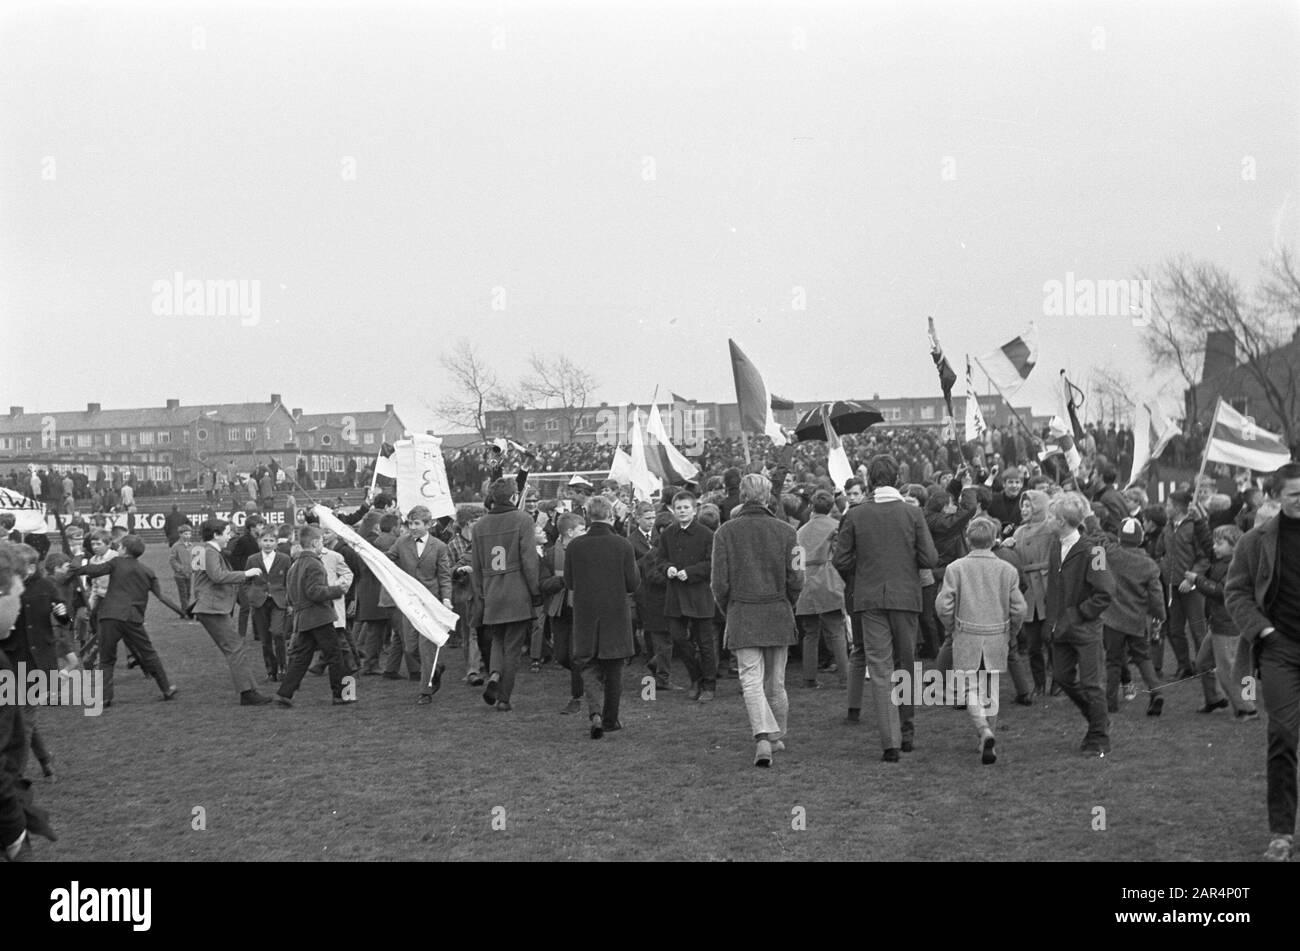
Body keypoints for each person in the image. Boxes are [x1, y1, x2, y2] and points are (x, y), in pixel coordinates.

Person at [833, 454, 938, 762]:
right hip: (905, 598)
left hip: (869, 599)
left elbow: (840, 560)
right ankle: (906, 732)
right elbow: (930, 558)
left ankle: (890, 743)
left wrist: (863, 572)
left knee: (880, 669)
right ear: (897, 479)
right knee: (905, 665)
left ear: (869, 481)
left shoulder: (855, 514)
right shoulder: (912, 513)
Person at [1225, 462, 1300, 861]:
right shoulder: (1256, 541)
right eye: (1295, 495)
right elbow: (1235, 592)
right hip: (1281, 650)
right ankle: (1282, 834)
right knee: (1283, 737)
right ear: (1277, 497)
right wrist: (1264, 632)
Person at [712, 473, 803, 766]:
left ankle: (765, 737)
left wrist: (730, 609)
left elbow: (718, 583)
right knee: (776, 683)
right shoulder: (789, 532)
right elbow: (798, 577)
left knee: (750, 680)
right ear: (768, 497)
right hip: (777, 612)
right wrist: (789, 601)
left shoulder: (724, 533)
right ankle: (775, 736)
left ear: (741, 495)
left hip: (743, 612)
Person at [934, 516, 1026, 765]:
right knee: (991, 687)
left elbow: (943, 605)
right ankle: (988, 735)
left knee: (971, 688)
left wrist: (952, 627)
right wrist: (1012, 631)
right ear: (995, 538)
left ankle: (983, 730)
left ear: (967, 539)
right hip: (997, 634)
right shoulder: (1008, 570)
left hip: (967, 634)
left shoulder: (956, 568)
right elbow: (1019, 608)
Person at [61, 534, 182, 708]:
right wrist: (182, 611)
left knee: (107, 659)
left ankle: (105, 698)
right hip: (133, 619)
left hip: (110, 616)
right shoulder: (148, 572)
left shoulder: (115, 563)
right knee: (149, 654)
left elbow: (85, 571)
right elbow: (161, 596)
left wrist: (78, 556)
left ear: (123, 549)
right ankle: (166, 688)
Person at [1044, 493, 1115, 755]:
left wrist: (1077, 614)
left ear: (1062, 521)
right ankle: (1098, 718)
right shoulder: (1055, 546)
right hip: (1060, 629)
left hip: (1085, 629)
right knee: (1062, 677)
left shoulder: (1093, 550)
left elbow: (1105, 592)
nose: (1047, 520)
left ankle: (1099, 737)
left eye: (1051, 517)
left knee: (1091, 684)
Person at [0, 542, 58, 861]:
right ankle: (41, 765)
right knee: (21, 724)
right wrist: (14, 828)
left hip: (31, 670)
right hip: (18, 669)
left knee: (24, 722)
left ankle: (42, 765)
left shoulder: (45, 589)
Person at [565, 497, 639, 738]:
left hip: (586, 614)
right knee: (614, 668)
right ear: (609, 514)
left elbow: (569, 582)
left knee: (588, 666)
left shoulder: (575, 546)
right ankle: (610, 719)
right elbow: (633, 583)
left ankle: (595, 712)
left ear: (588, 515)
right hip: (615, 614)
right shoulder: (623, 544)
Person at [471, 479, 540, 712]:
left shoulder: (479, 526)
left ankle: (494, 676)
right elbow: (529, 560)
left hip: (492, 591)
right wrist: (535, 591)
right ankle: (504, 698)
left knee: (498, 642)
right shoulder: (523, 520)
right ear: (513, 497)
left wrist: (481, 593)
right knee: (513, 648)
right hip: (516, 589)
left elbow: (477, 565)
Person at [191, 519, 273, 706]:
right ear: (216, 535)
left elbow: (200, 578)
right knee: (235, 648)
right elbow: (217, 576)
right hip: (213, 608)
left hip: (210, 606)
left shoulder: (203, 549)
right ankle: (247, 693)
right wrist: (246, 574)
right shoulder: (209, 552)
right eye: (227, 533)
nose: (230, 536)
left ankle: (250, 690)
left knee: (235, 648)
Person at [274, 526, 354, 708]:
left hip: (303, 618)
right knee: (335, 655)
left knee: (301, 657)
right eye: (321, 542)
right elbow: (315, 592)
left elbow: (289, 596)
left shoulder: (294, 566)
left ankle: (284, 693)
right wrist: (337, 590)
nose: (323, 545)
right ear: (315, 542)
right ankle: (341, 694)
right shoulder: (315, 564)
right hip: (319, 617)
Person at [386, 506, 453, 705]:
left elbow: (444, 576)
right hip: (409, 603)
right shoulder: (401, 543)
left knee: (426, 648)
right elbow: (386, 560)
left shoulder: (439, 546)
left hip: (430, 603)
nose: (413, 527)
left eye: (417, 524)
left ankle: (426, 691)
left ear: (429, 525)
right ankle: (436, 667)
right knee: (410, 647)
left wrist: (446, 599)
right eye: (410, 523)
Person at [656, 490, 718, 702]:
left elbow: (712, 564)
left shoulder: (706, 534)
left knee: (705, 642)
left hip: (699, 593)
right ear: (673, 510)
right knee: (678, 638)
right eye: (679, 508)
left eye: (686, 508)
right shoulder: (668, 534)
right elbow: (660, 559)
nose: (682, 511)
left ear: (694, 510)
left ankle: (709, 684)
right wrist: (668, 568)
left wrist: (690, 572)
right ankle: (696, 677)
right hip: (675, 595)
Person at [1101, 518, 1166, 716]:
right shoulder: (1149, 565)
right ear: (1141, 539)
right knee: (1143, 657)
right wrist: (1159, 615)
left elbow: (1097, 537)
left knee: (1112, 660)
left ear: (1120, 536)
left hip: (1112, 618)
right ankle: (1156, 692)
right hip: (1136, 620)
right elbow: (1156, 595)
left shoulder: (1110, 553)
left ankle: (1110, 702)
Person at [1189, 524, 1256, 719]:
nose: (1214, 547)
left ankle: (1247, 709)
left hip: (1229, 625)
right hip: (1218, 623)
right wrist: (1199, 518)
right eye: (1214, 543)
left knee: (1229, 671)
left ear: (1234, 545)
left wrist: (1197, 580)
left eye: (1220, 543)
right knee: (1203, 663)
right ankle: (1215, 699)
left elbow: (1222, 592)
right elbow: (1203, 537)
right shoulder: (1221, 560)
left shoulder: (1237, 565)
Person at [794, 490, 849, 689]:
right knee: (836, 631)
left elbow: (795, 564)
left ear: (811, 507)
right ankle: (845, 678)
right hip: (828, 580)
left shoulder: (799, 532)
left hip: (806, 583)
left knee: (810, 633)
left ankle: (809, 678)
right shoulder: (836, 527)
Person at [1159, 490, 1213, 681]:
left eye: (1168, 504)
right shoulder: (1168, 527)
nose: (1165, 508)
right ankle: (1184, 666)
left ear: (1177, 507)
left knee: (1198, 629)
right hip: (1171, 585)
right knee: (1174, 629)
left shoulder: (1194, 528)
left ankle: (1204, 667)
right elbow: (1161, 551)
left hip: (1193, 587)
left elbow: (1205, 557)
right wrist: (1163, 566)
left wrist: (1191, 578)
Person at [542, 512, 586, 714]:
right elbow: (541, 584)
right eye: (581, 529)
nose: (585, 533)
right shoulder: (551, 554)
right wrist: (562, 580)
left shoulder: (587, 551)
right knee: (561, 656)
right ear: (570, 531)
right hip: (559, 610)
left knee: (575, 656)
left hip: (581, 609)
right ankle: (589, 674)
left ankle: (577, 697)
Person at [245, 526, 291, 682]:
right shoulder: (252, 559)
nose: (268, 544)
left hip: (279, 601)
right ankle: (271, 669)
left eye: (272, 540)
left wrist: (289, 601)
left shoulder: (284, 559)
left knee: (278, 633)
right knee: (265, 639)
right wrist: (251, 595)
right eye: (265, 540)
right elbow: (246, 581)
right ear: (259, 542)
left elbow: (289, 582)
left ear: (277, 543)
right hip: (259, 602)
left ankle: (283, 667)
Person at [169, 523, 194, 611]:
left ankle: (186, 610)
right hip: (180, 575)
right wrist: (179, 569)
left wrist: (193, 568)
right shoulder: (176, 546)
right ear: (180, 534)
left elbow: (192, 558)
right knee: (183, 593)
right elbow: (172, 560)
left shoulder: (191, 545)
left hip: (189, 573)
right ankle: (185, 611)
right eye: (185, 534)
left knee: (188, 593)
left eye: (189, 534)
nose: (188, 536)